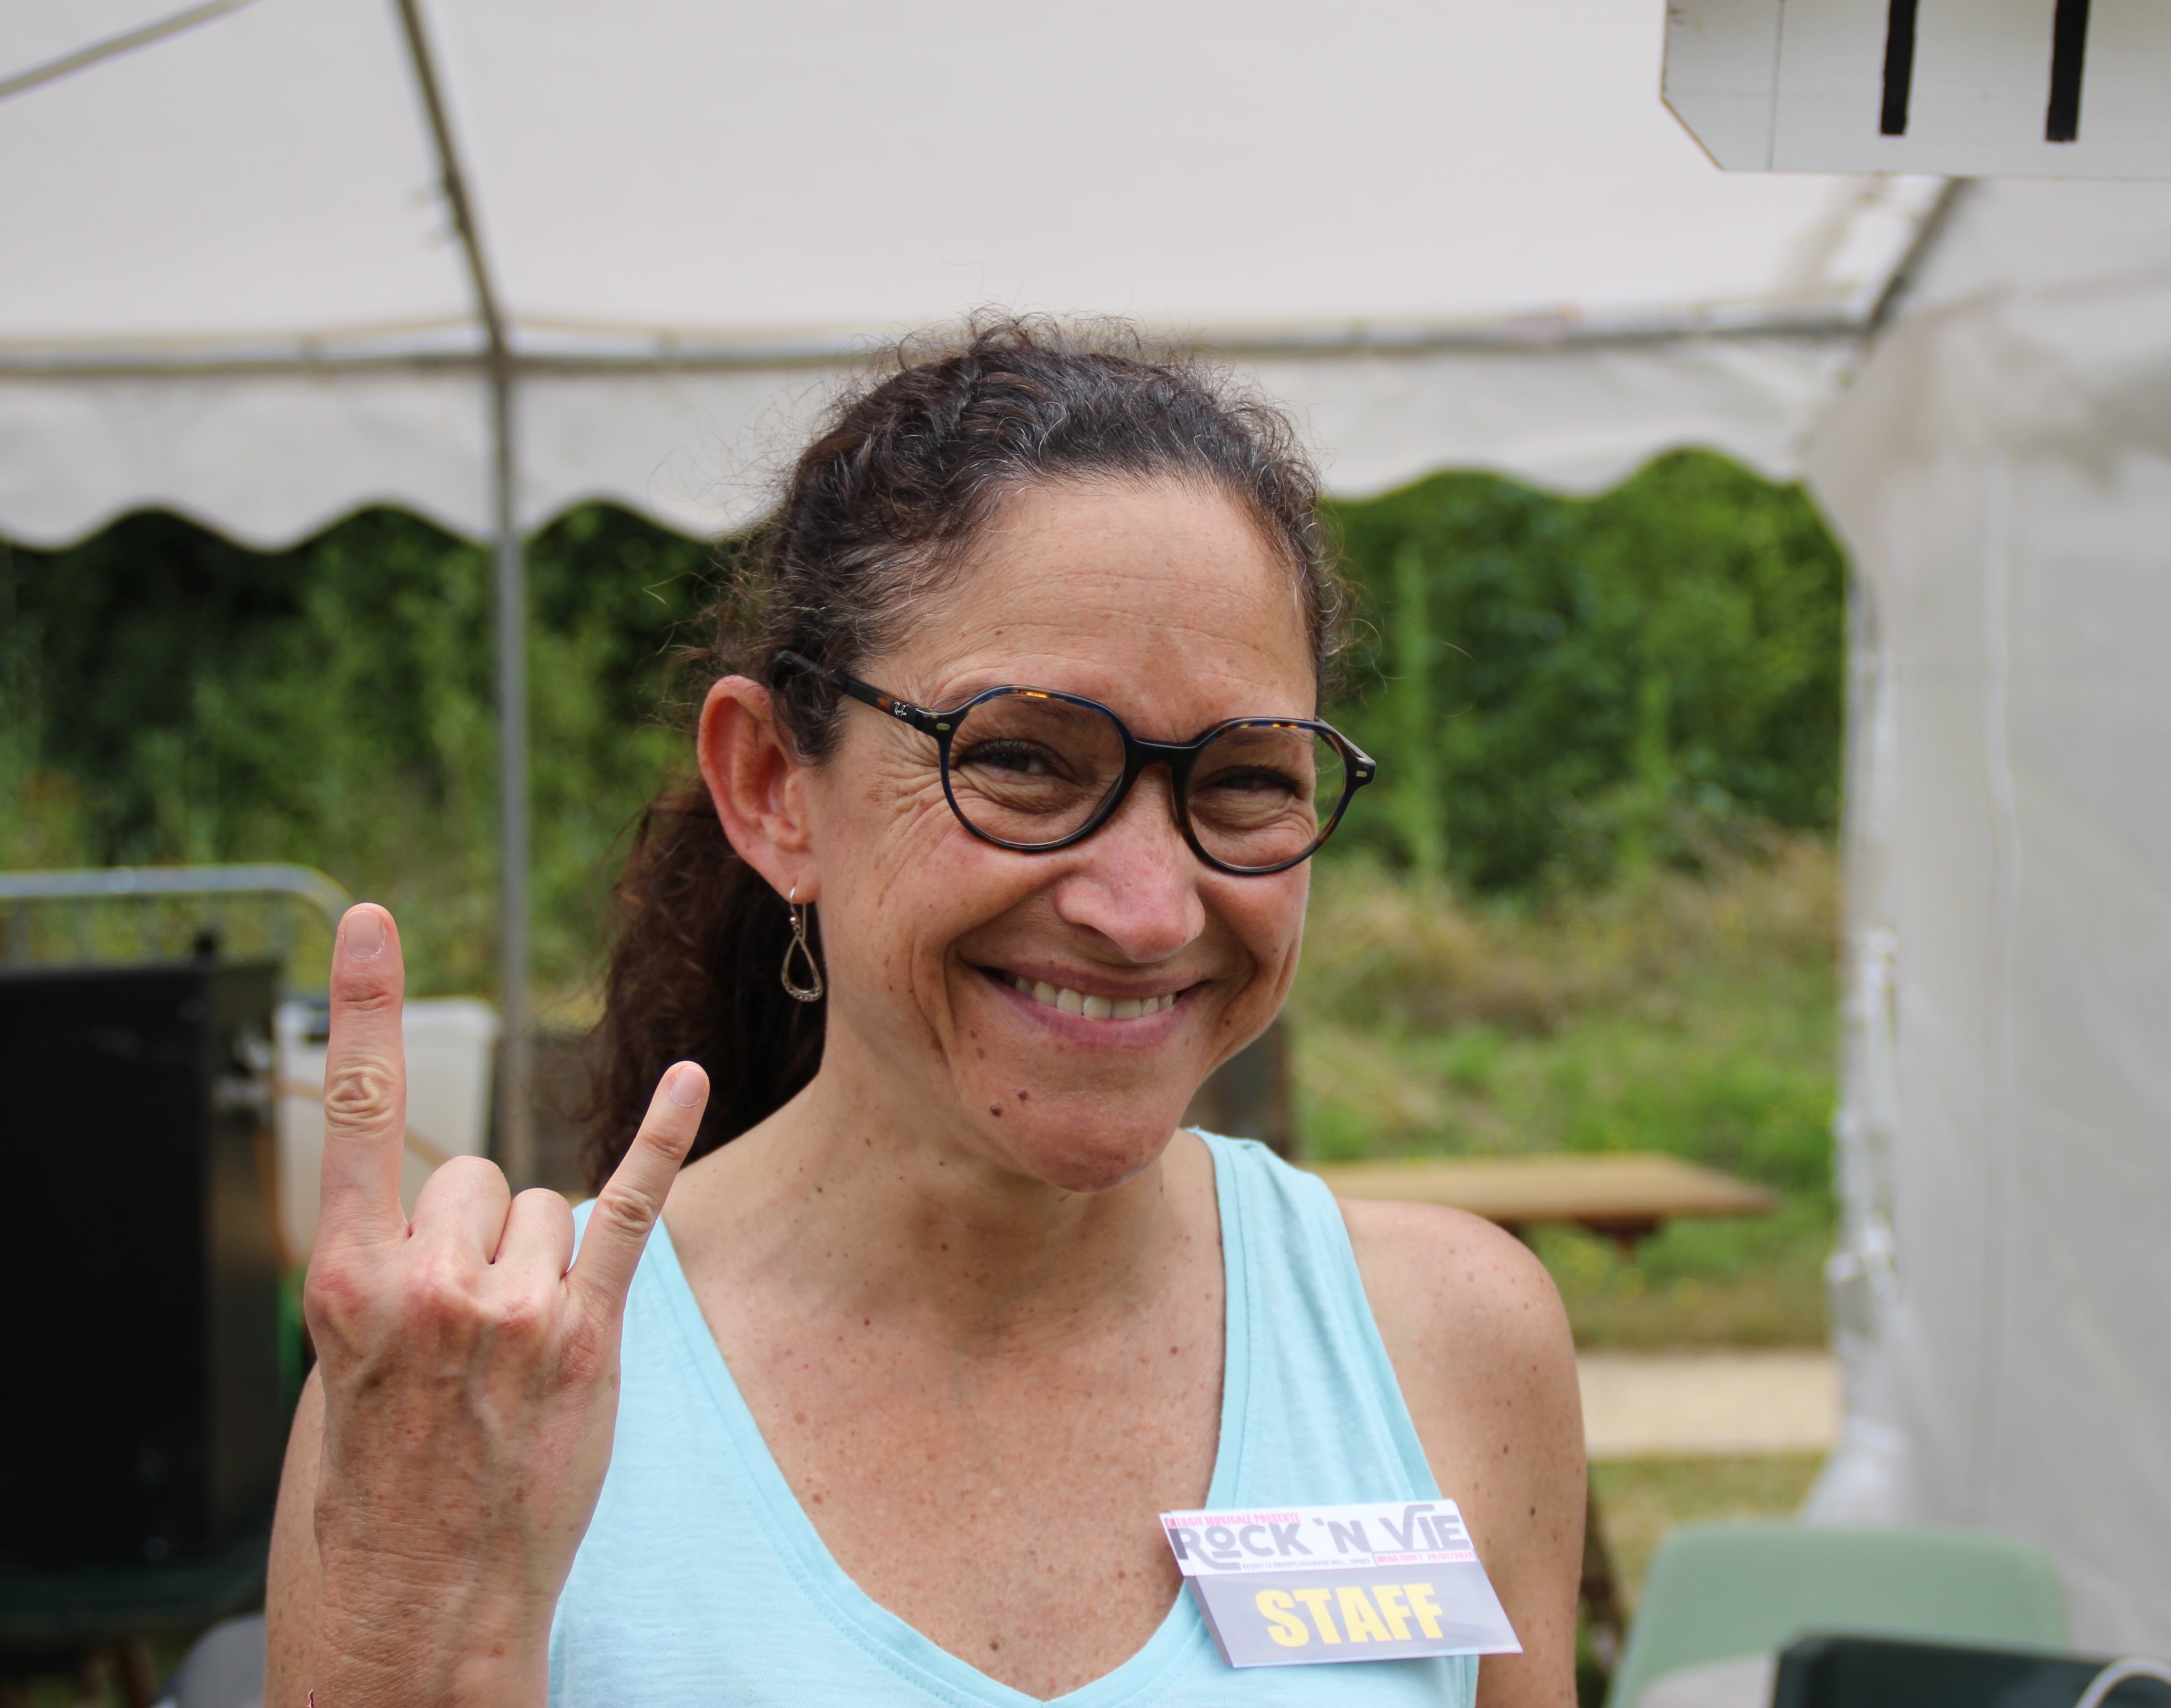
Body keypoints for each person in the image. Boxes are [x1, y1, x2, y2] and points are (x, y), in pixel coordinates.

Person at [264, 319, 1587, 1707]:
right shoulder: (478, 1395)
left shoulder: (1448, 1343)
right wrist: (409, 1618)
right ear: (773, 788)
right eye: (1022, 760)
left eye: (1247, 780)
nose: (1148, 911)